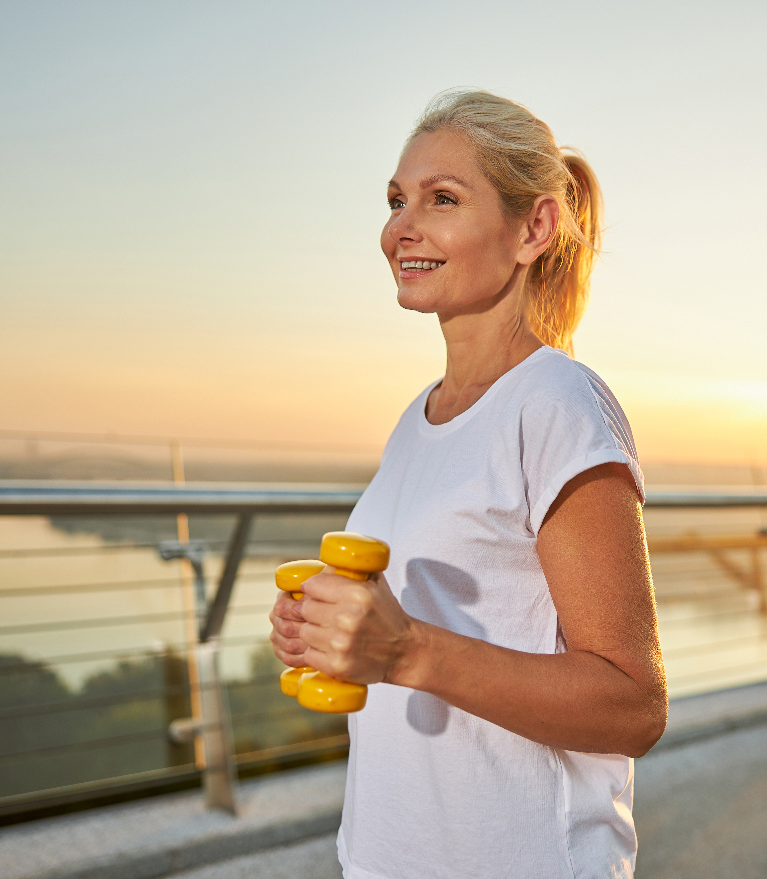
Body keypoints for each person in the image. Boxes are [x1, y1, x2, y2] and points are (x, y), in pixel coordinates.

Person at [270, 89, 667, 879]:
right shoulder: (415, 422)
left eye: (441, 199)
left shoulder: (557, 402)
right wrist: (329, 628)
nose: (399, 229)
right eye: (395, 200)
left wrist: (406, 648)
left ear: (535, 228)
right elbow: (432, 623)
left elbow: (633, 704)